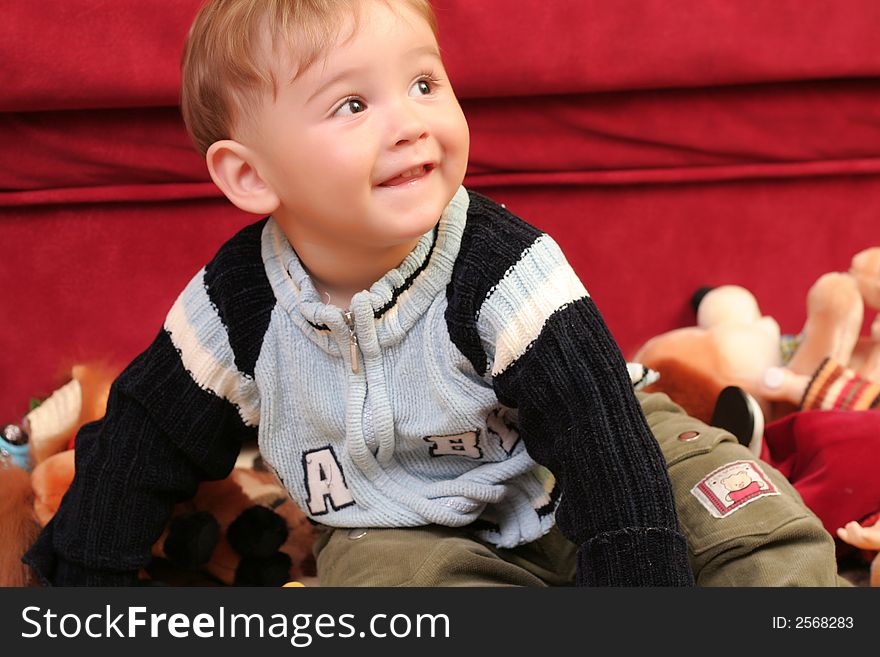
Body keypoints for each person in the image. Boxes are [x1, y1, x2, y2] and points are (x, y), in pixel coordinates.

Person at [23, 0, 838, 587]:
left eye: (424, 83)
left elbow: (598, 431)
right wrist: (82, 578)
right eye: (352, 103)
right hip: (396, 518)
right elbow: (142, 436)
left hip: (592, 463)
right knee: (388, 596)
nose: (411, 122)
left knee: (746, 526)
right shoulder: (238, 305)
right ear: (250, 174)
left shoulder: (501, 265)